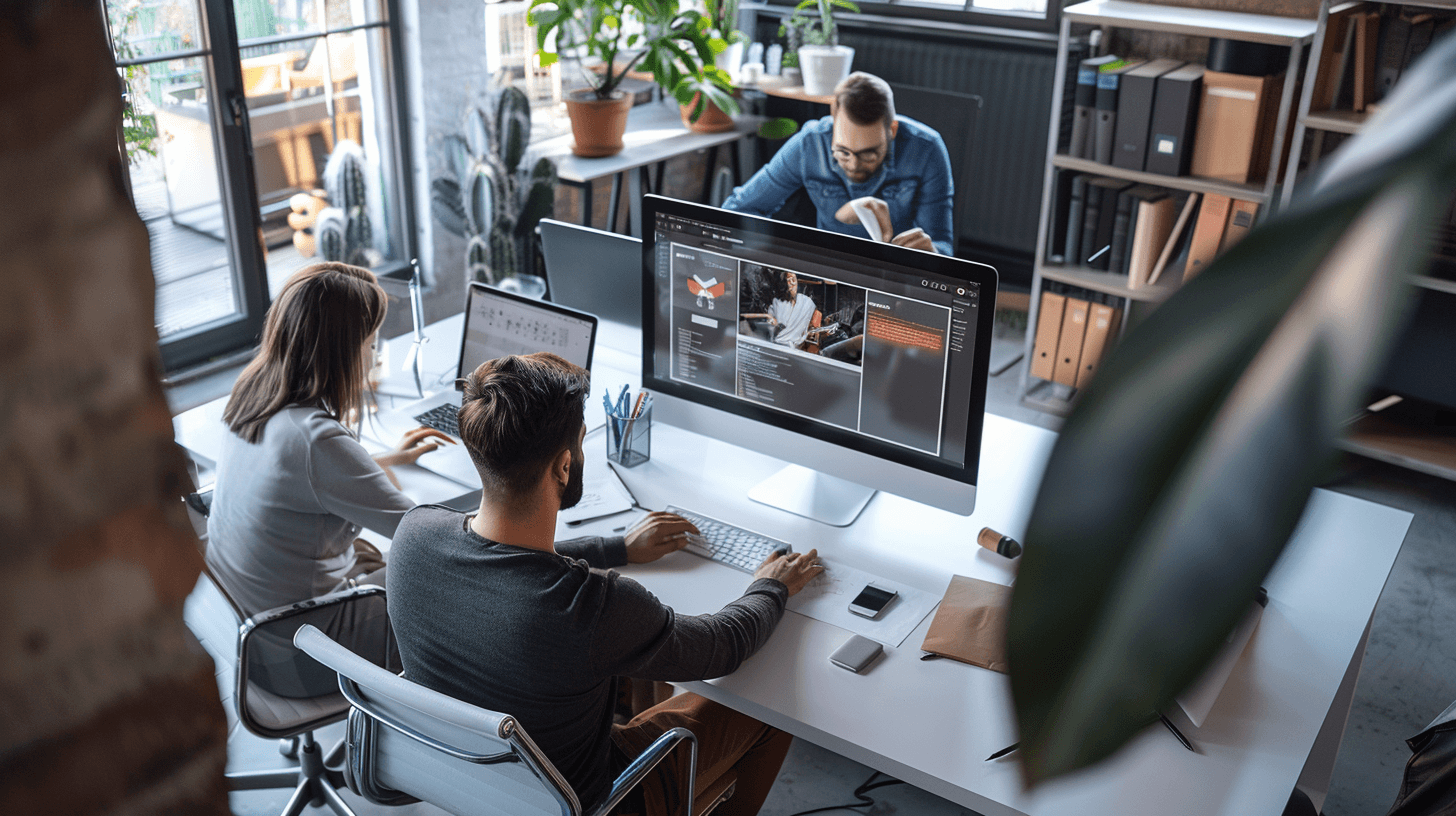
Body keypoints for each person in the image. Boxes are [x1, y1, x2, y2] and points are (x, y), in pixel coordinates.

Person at [388, 353, 825, 816]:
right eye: (580, 443)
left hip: (471, 777)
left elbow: (507, 557)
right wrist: (771, 587)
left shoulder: (413, 535)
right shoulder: (591, 606)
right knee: (766, 709)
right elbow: (723, 645)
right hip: (593, 798)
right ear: (562, 467)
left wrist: (618, 547)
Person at [205, 262, 450, 694]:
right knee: (457, 593)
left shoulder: (253, 394)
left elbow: (295, 478)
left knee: (386, 562)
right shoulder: (315, 442)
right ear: (343, 352)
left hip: (252, 632)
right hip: (301, 656)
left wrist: (379, 461)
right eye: (371, 345)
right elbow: (427, 536)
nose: (373, 358)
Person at [722, 72, 955, 256]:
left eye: (869, 154)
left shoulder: (926, 149)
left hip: (896, 278)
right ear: (833, 125)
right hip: (830, 269)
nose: (853, 165)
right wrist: (783, 251)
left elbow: (943, 245)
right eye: (842, 152)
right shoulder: (809, 143)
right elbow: (737, 210)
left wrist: (932, 254)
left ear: (891, 131)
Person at [739, 270, 819, 349]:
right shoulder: (778, 302)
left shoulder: (806, 302)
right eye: (788, 280)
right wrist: (772, 323)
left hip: (796, 347)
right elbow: (772, 325)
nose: (792, 283)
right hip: (778, 345)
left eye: (794, 280)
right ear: (785, 284)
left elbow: (814, 320)